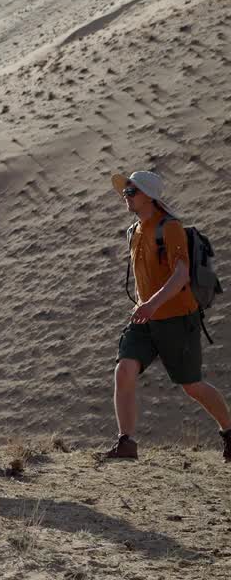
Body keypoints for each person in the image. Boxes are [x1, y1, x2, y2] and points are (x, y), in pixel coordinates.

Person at [105, 171, 231, 462]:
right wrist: (144, 306)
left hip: (176, 318)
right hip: (144, 319)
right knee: (124, 370)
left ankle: (229, 431)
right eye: (126, 192)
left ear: (149, 195)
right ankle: (126, 443)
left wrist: (151, 303)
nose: (126, 196)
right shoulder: (134, 230)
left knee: (192, 385)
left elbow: (180, 275)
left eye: (131, 192)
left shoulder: (170, 227)